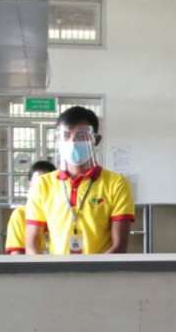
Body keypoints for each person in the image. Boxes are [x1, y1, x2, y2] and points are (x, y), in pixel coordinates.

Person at [24, 106, 134, 255]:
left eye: (81, 136)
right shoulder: (42, 185)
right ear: (57, 140)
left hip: (102, 269)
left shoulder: (116, 183)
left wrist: (90, 270)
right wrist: (47, 269)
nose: (73, 142)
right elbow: (32, 245)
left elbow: (119, 247)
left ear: (96, 140)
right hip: (56, 269)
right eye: (66, 135)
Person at [6, 160, 56, 254]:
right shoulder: (20, 215)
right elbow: (16, 254)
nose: (41, 187)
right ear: (30, 184)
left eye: (46, 183)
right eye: (38, 183)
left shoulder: (62, 213)